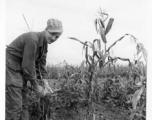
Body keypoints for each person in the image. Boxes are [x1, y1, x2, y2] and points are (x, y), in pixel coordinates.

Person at [6, 18, 63, 120]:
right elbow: (28, 66)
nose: (54, 38)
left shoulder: (44, 44)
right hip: (10, 67)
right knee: (14, 106)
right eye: (52, 34)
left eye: (57, 37)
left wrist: (46, 84)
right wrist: (36, 87)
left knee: (24, 105)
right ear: (46, 30)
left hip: (19, 70)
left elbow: (42, 64)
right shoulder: (32, 39)